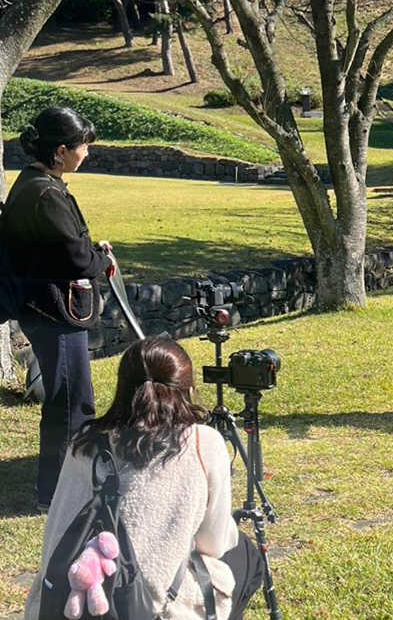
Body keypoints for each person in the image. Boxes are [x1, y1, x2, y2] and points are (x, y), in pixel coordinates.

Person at [24, 336, 264, 620]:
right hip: (150, 609)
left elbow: (55, 531)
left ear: (122, 386)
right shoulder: (202, 443)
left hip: (56, 604)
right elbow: (214, 543)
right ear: (189, 388)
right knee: (246, 556)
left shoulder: (83, 440)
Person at [3, 106, 116, 511]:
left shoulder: (38, 183)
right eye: (82, 145)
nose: (86, 152)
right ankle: (55, 492)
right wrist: (100, 259)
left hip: (44, 309)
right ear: (60, 152)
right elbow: (74, 260)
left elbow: (64, 248)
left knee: (68, 399)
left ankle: (60, 486)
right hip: (54, 312)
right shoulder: (44, 193)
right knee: (71, 403)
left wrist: (91, 251)